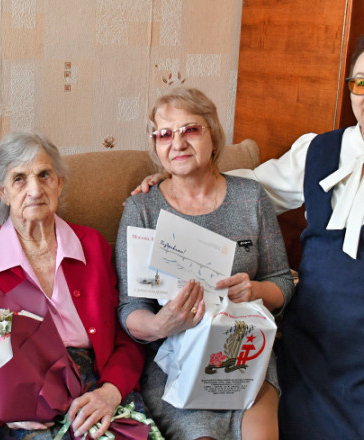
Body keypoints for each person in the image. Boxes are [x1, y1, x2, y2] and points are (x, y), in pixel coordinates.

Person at [135, 29, 364, 439]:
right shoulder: (319, 150)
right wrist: (179, 180)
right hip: (304, 350)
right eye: (362, 83)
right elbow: (249, 189)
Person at [116, 87, 294, 440]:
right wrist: (159, 325)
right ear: (156, 147)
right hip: (175, 363)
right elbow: (129, 307)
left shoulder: (250, 196)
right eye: (165, 134)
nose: (177, 143)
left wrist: (255, 290)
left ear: (213, 136)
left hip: (246, 355)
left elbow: (282, 283)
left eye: (190, 130)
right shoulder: (142, 209)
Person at [0, 132, 146, 439]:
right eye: (19, 179)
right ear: (3, 191)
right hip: (26, 397)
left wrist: (111, 390)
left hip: (98, 385)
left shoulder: (93, 246)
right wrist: (1, 405)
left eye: (44, 175)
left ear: (60, 184)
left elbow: (128, 332)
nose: (35, 190)